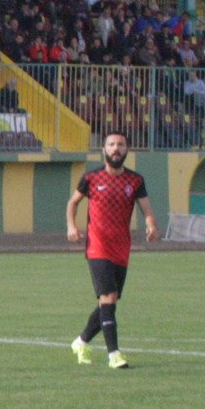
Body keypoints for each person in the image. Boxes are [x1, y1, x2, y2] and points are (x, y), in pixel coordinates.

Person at [66, 129, 158, 370]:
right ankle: (114, 354)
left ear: (127, 150)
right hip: (97, 247)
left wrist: (151, 226)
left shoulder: (135, 180)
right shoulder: (91, 178)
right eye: (111, 144)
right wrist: (71, 226)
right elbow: (73, 202)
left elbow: (146, 209)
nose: (116, 148)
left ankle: (81, 341)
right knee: (107, 298)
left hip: (121, 248)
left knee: (110, 302)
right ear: (104, 150)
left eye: (120, 144)